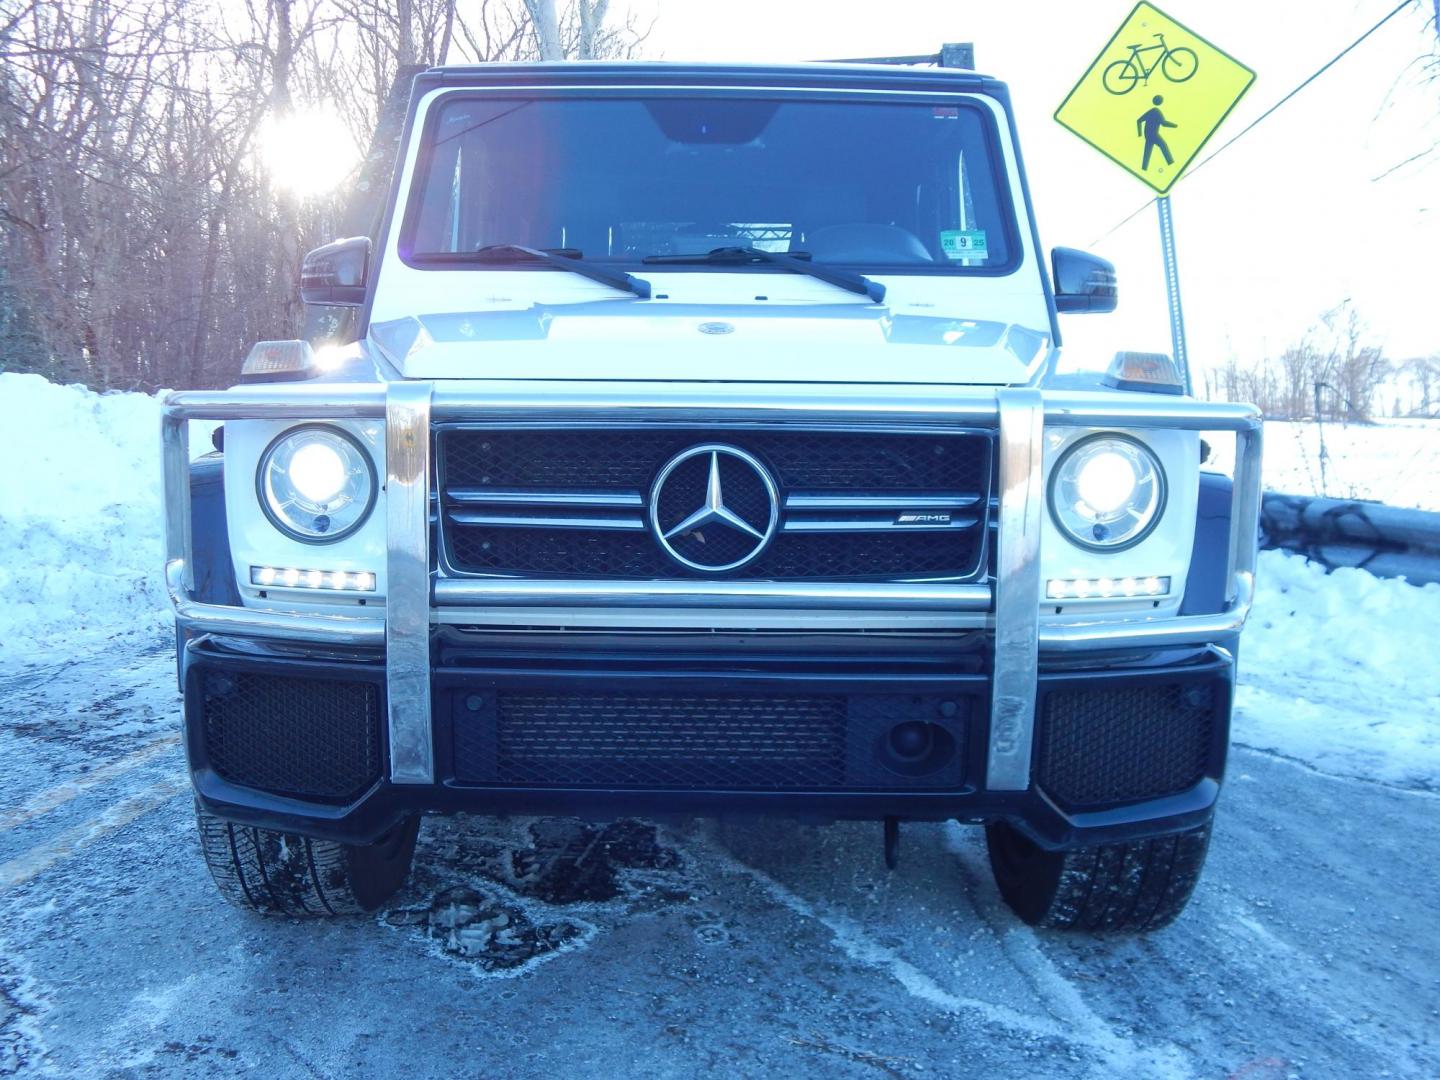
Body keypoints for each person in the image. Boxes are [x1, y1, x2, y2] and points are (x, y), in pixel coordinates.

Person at [1136, 95, 1177, 171]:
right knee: (1163, 145)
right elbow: (1164, 123)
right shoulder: (1156, 111)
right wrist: (1175, 125)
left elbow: (1138, 121)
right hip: (1153, 135)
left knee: (1147, 152)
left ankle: (1144, 168)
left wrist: (1140, 134)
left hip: (1148, 135)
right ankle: (1170, 163)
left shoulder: (1152, 111)